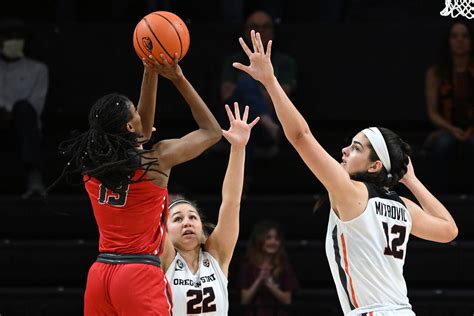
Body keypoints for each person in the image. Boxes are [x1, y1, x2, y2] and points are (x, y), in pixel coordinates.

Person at [233, 30, 459, 315]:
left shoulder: (351, 193)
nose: (344, 151)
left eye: (355, 148)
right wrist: (411, 181)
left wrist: (270, 81)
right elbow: (449, 230)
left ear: (375, 165)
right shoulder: (402, 207)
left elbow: (301, 136)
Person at [52, 53, 222, 315]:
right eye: (135, 114)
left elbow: (140, 130)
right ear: (131, 127)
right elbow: (212, 132)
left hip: (100, 276)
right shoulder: (156, 162)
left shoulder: (91, 168)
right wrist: (178, 78)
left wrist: (149, 71)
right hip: (138, 274)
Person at [161, 102, 259, 315]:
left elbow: (231, 202)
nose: (187, 222)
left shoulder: (216, 256)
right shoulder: (165, 260)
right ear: (164, 232)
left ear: (201, 226)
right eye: (177, 219)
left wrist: (238, 148)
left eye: (192, 217)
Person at [220, 9, 297, 160]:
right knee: (243, 114)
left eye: (265, 27)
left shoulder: (285, 62)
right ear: (245, 31)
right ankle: (266, 123)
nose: (260, 31)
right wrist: (261, 91)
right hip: (235, 121)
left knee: (245, 103)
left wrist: (248, 93)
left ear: (273, 32)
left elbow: (280, 100)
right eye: (254, 27)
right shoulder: (234, 61)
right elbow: (227, 97)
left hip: (270, 120)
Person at [0, 18, 49, 198]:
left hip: (23, 123)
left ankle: (34, 178)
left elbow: (37, 102)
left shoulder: (38, 69)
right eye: (8, 37)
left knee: (24, 109)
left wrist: (11, 112)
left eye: (17, 37)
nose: (12, 42)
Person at [424, 18, 474, 194]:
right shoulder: (436, 73)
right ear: (448, 40)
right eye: (455, 36)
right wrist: (452, 129)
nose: (460, 40)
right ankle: (439, 198)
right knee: (443, 143)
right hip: (446, 128)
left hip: (471, 128)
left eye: (465, 36)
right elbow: (432, 113)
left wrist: (470, 130)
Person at [239, 219, 299, 316]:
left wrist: (269, 283)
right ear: (259, 240)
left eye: (276, 238)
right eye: (268, 238)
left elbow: (287, 300)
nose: (273, 242)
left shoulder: (284, 266)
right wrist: (259, 280)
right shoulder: (247, 267)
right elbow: (244, 300)